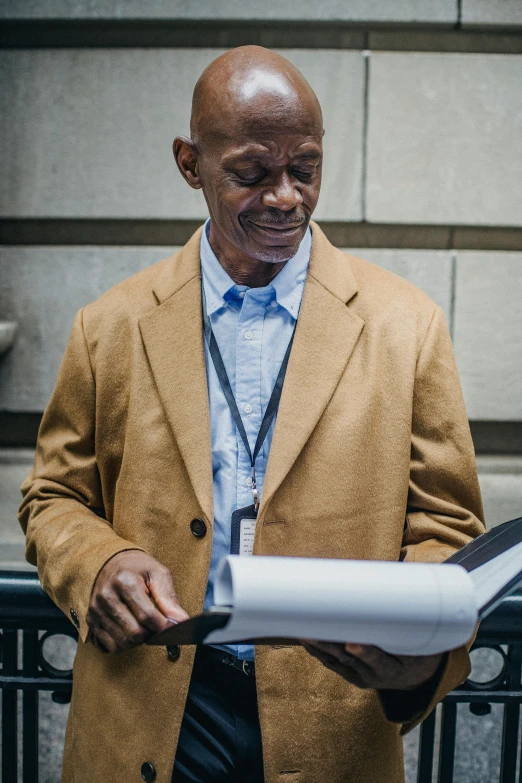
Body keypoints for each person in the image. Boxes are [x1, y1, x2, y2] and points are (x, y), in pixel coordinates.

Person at [19, 46, 484, 783]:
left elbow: (449, 532)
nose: (286, 197)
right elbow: (52, 498)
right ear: (189, 163)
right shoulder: (107, 325)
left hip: (333, 721)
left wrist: (417, 642)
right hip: (150, 707)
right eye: (252, 173)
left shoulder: (409, 325)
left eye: (305, 167)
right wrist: (97, 561)